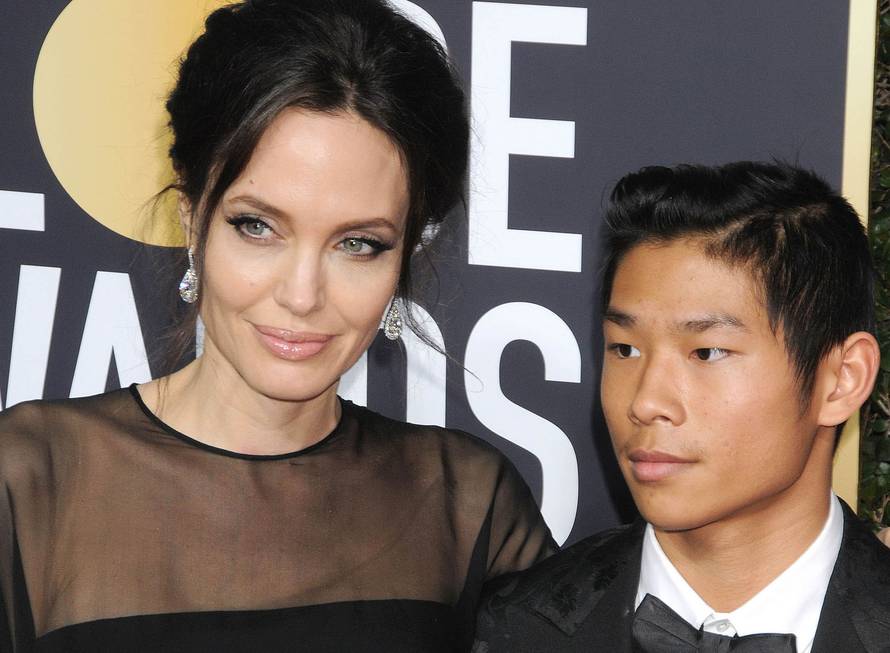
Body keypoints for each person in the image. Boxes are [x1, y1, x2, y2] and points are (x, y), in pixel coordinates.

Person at [0, 2, 554, 651]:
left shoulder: (465, 505)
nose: (301, 295)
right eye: (257, 226)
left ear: (406, 252)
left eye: (359, 243)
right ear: (191, 215)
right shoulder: (30, 480)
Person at [474, 161, 890, 652]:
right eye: (624, 349)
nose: (647, 402)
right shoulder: (510, 629)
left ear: (842, 380)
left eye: (707, 353)